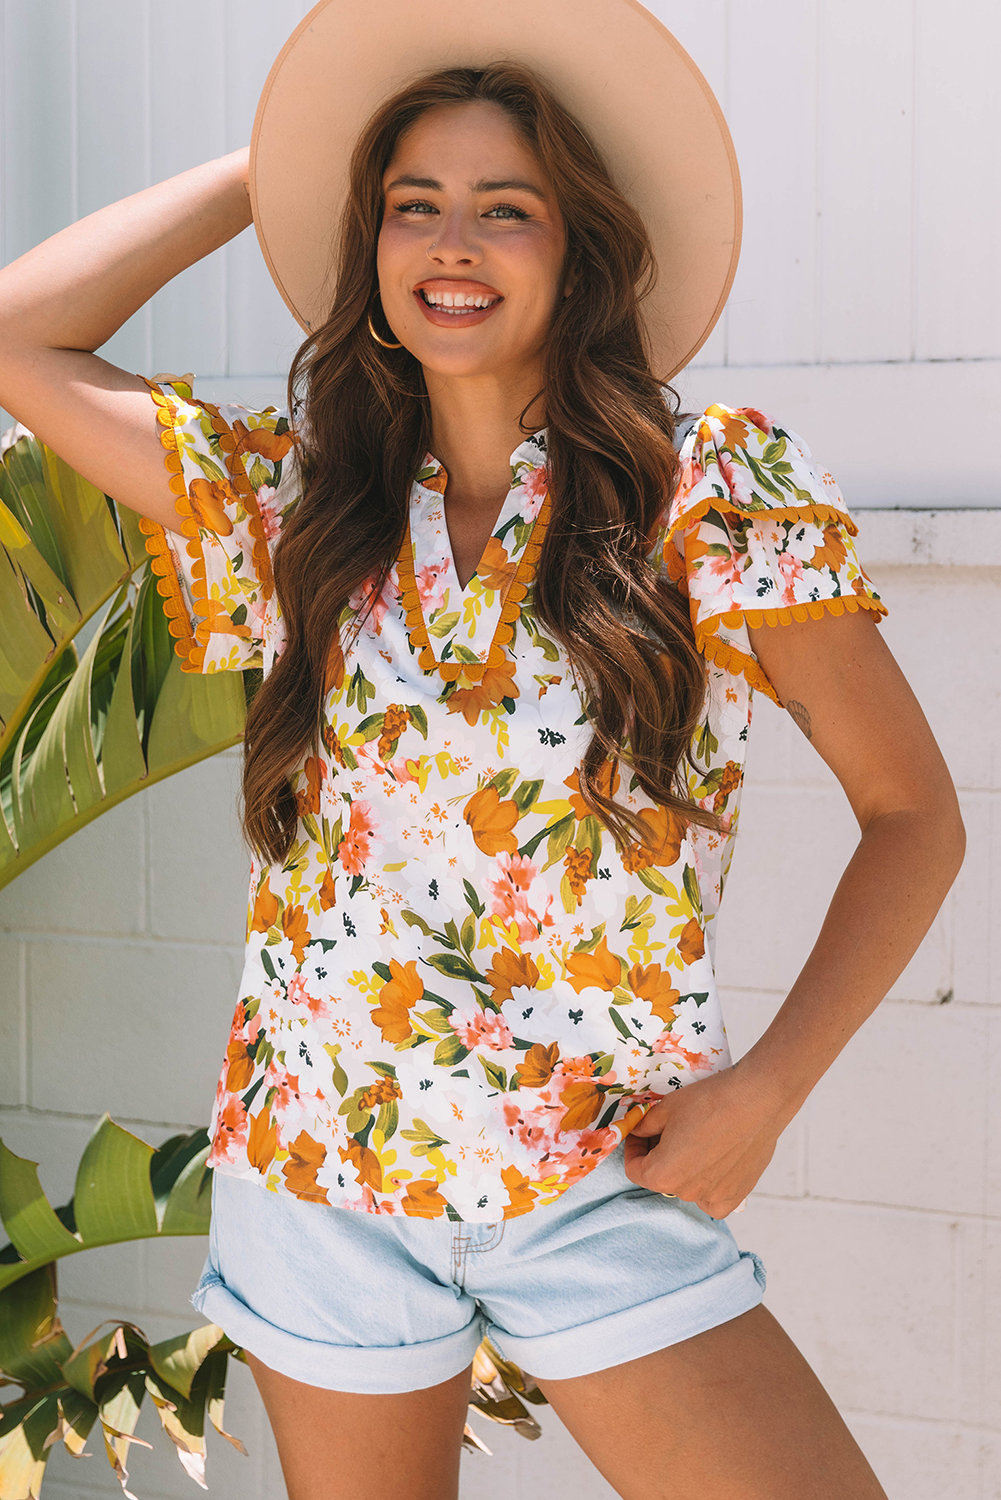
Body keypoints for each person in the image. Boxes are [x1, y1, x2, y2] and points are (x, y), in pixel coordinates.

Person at [0, 7, 964, 1498]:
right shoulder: (300, 519)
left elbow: (913, 815)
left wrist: (766, 1091)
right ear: (369, 250)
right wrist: (275, 161)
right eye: (411, 206)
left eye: (503, 210)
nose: (452, 243)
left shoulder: (708, 491)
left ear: (576, 251)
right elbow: (21, 333)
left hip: (599, 1181)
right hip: (324, 1179)